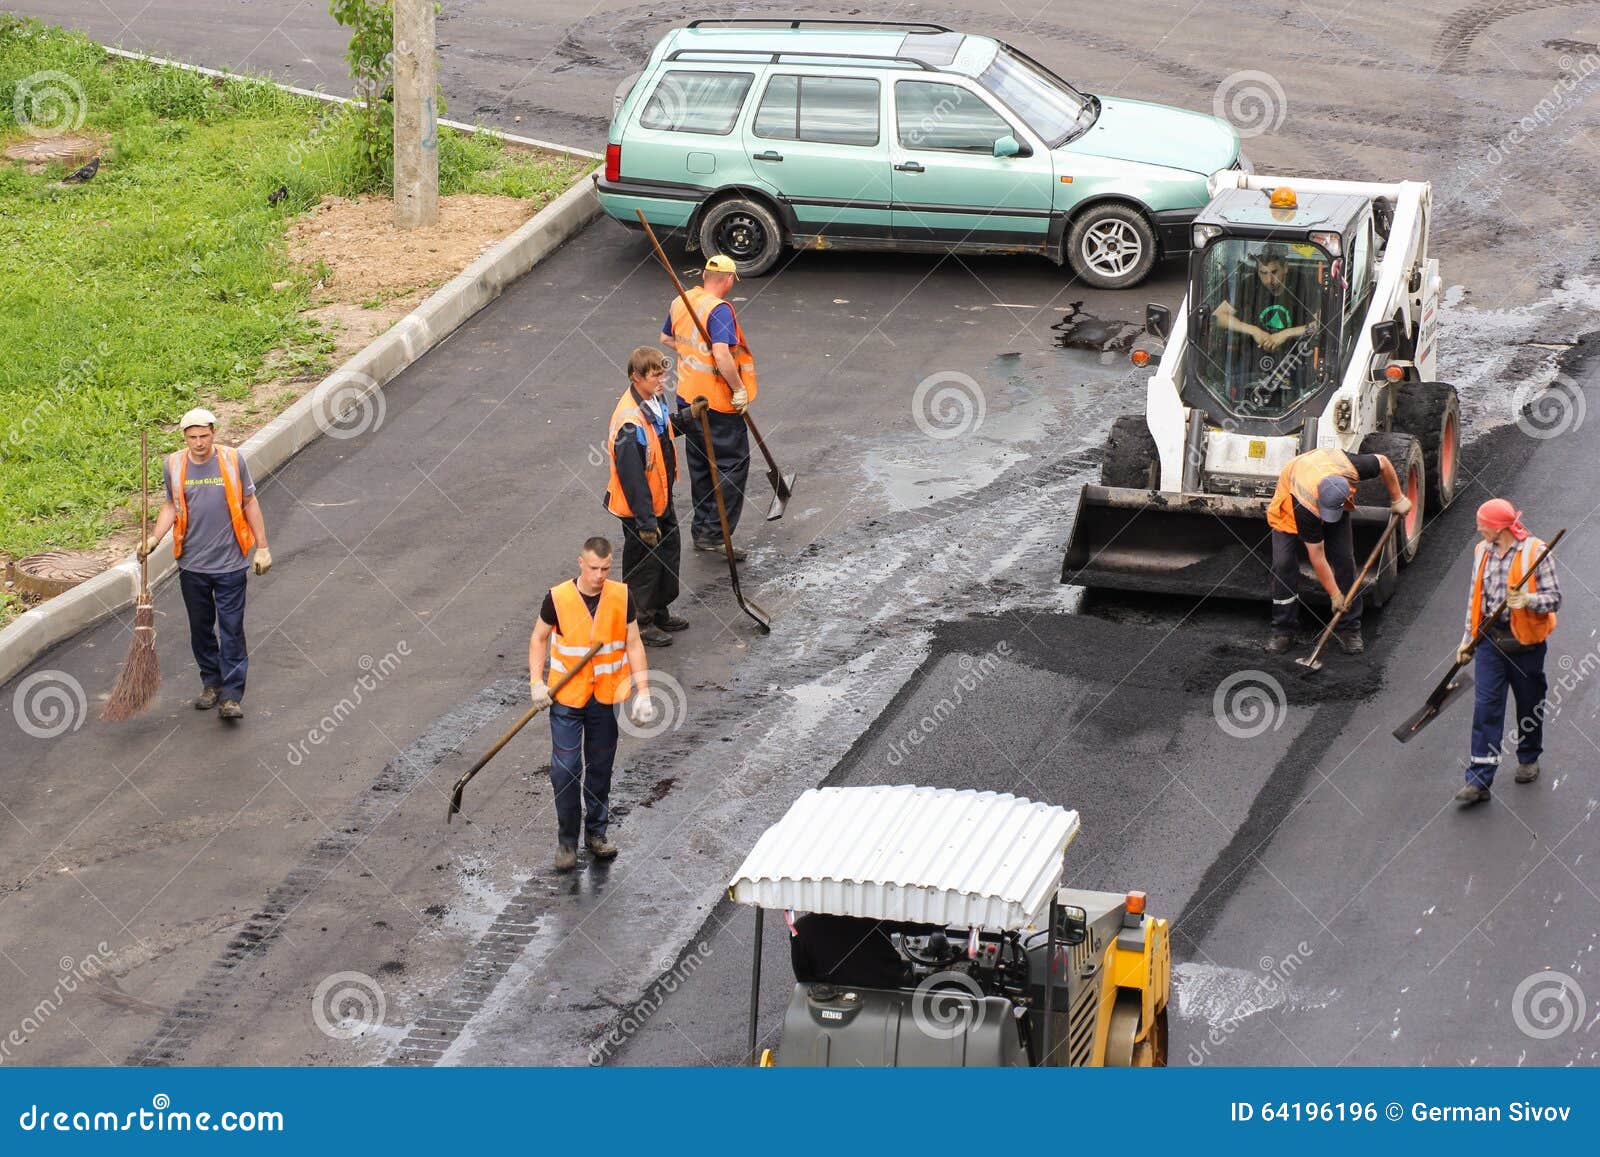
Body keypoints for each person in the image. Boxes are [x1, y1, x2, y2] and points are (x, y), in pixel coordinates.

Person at [528, 537, 655, 870]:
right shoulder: (557, 598)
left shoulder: (621, 596)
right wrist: (536, 683)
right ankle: (567, 842)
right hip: (567, 699)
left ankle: (596, 834)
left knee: (600, 768)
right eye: (594, 568)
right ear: (580, 563)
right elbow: (539, 637)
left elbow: (634, 643)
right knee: (566, 769)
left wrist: (643, 692)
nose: (600, 575)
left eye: (606, 568)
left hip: (603, 699)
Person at [140, 408, 271, 721]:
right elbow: (171, 504)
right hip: (192, 564)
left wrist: (263, 547)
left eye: (204, 435)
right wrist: (154, 538)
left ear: (214, 433)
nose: (199, 442)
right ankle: (211, 684)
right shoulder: (173, 464)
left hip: (230, 563)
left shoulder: (232, 459)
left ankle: (231, 696)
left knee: (231, 629)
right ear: (185, 438)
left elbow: (249, 501)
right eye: (192, 437)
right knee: (200, 629)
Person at [1453, 499, 1560, 806]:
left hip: (1526, 644)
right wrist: (1467, 640)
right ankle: (1478, 780)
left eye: (1481, 523)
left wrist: (1528, 599)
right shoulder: (1481, 552)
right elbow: (1475, 598)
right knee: (1486, 706)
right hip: (1490, 642)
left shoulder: (1536, 552)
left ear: (1499, 528)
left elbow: (1554, 599)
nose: (1477, 528)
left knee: (1529, 703)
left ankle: (1528, 758)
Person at [605, 347, 709, 648]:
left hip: (660, 498)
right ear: (636, 377)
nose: (663, 380)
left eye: (663, 374)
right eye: (655, 376)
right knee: (644, 565)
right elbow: (632, 478)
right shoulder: (629, 422)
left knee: (668, 555)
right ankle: (640, 622)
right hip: (641, 508)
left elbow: (663, 432)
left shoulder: (653, 400)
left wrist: (688, 417)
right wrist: (646, 522)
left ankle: (659, 610)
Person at [1263, 447, 1411, 655]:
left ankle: (1349, 629)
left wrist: (1397, 498)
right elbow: (1317, 555)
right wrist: (1334, 595)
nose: (1326, 519)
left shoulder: (1352, 468)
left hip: (1326, 485)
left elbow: (1384, 463)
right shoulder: (1304, 503)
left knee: (1344, 559)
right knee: (1283, 563)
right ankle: (1283, 631)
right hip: (1290, 506)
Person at [662, 254, 758, 559]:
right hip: (715, 403)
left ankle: (702, 530)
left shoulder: (684, 301)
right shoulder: (719, 310)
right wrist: (739, 390)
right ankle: (715, 535)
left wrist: (694, 354)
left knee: (702, 466)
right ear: (729, 280)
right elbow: (722, 354)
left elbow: (666, 338)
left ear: (705, 276)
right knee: (730, 466)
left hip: (687, 400)